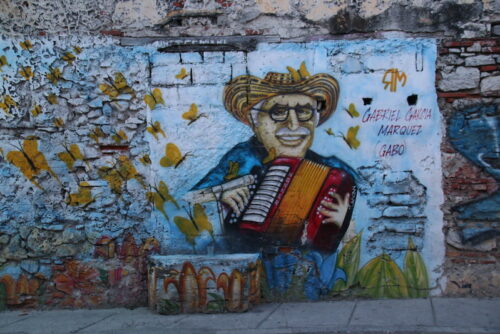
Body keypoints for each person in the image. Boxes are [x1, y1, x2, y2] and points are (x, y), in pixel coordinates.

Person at [188, 64, 357, 252]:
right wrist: (218, 196)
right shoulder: (242, 158)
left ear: (315, 119)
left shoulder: (333, 171)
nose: (293, 124)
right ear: (255, 121)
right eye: (278, 112)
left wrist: (342, 224)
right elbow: (188, 202)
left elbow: (348, 240)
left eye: (303, 112)